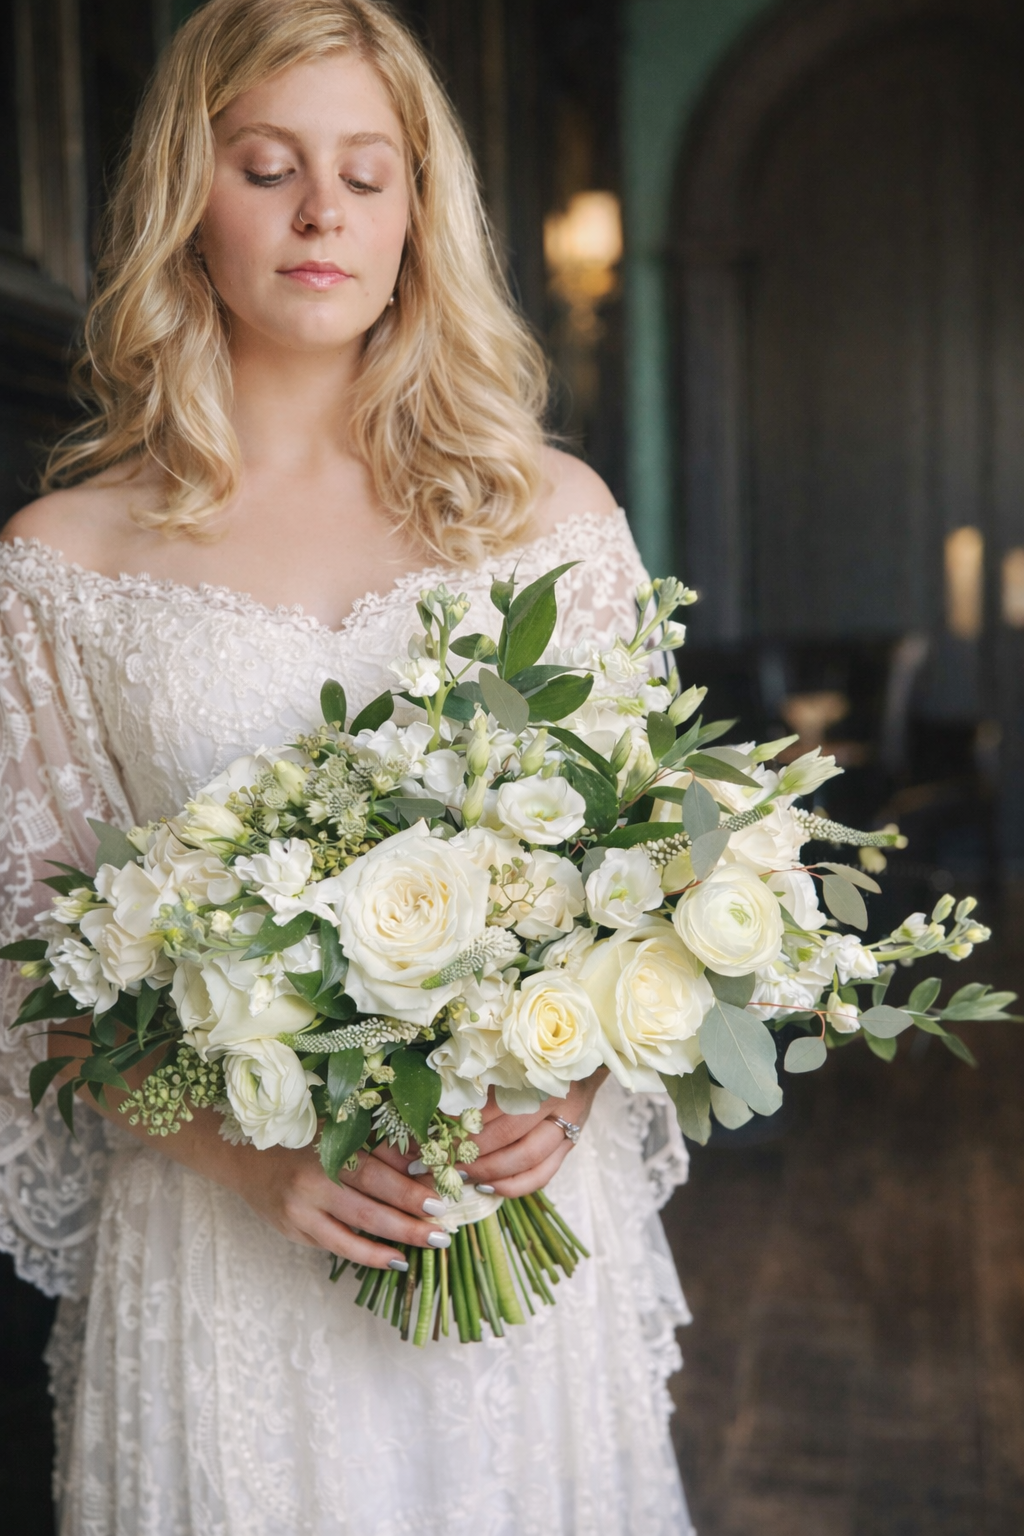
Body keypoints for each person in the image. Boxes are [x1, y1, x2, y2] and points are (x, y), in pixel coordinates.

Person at [0, 3, 695, 1530]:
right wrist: (249, 1166)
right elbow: (33, 957)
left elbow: (660, 871)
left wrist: (569, 1084)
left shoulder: (553, 519)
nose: (322, 212)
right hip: (220, 1240)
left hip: (507, 1215)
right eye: (268, 166)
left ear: (415, 218)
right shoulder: (63, 564)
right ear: (189, 195)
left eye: (367, 176)